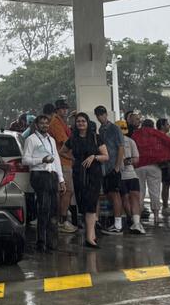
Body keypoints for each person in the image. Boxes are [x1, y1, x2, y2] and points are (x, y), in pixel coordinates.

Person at [65, 112, 108, 248]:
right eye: (78, 121)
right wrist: (74, 160)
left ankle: (89, 237)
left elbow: (106, 156)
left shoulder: (96, 138)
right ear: (75, 124)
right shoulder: (73, 139)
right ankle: (91, 234)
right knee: (83, 205)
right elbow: (62, 151)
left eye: (83, 121)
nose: (81, 123)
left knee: (90, 203)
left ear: (87, 123)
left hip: (94, 174)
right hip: (78, 174)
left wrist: (94, 157)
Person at [22, 113, 65, 252]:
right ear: (36, 125)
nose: (45, 125)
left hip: (51, 175)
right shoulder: (31, 139)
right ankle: (41, 242)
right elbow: (25, 160)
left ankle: (52, 243)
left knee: (53, 209)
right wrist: (41, 160)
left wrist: (61, 179)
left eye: (47, 123)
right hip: (39, 175)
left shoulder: (51, 139)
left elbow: (56, 159)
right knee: (44, 208)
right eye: (42, 123)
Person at [134, 118, 170, 227]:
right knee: (155, 191)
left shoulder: (136, 134)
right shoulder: (155, 133)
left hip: (138, 166)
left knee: (140, 192)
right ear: (152, 126)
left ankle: (137, 219)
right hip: (154, 166)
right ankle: (156, 217)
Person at [94, 106, 126, 233]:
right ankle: (114, 223)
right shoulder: (101, 129)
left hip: (113, 167)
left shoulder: (114, 128)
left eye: (102, 114)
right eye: (98, 115)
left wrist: (117, 166)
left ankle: (118, 224)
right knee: (109, 194)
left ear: (106, 114)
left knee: (115, 194)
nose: (100, 116)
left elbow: (121, 147)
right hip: (104, 168)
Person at [48, 99, 76, 233]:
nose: (65, 110)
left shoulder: (61, 122)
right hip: (62, 162)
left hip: (65, 161)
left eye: (66, 108)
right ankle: (62, 221)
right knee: (66, 192)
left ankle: (61, 219)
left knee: (64, 192)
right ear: (57, 110)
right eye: (62, 108)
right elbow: (65, 142)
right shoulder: (55, 122)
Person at [116, 120, 145, 235]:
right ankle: (135, 222)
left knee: (129, 198)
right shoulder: (128, 141)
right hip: (126, 175)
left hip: (126, 175)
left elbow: (136, 160)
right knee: (131, 198)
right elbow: (136, 160)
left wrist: (125, 162)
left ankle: (134, 221)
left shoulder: (126, 142)